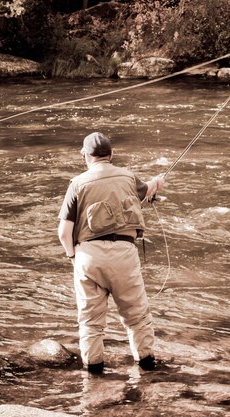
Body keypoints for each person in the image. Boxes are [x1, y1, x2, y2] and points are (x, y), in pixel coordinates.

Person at [58, 132, 164, 373]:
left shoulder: (77, 184)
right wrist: (157, 182)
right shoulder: (127, 176)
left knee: (90, 323)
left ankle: (93, 375)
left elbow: (64, 233)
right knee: (137, 317)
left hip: (88, 257)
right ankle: (147, 368)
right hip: (124, 254)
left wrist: (74, 258)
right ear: (111, 155)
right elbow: (146, 189)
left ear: (85, 156)